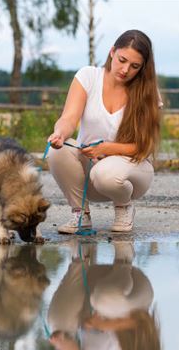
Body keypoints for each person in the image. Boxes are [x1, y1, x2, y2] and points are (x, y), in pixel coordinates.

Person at [47, 29, 163, 234]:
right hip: (90, 171)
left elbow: (144, 148)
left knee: (105, 172)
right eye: (122, 60)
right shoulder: (88, 76)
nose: (125, 69)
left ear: (143, 67)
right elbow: (68, 119)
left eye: (134, 66)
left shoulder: (148, 92)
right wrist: (59, 133)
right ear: (112, 52)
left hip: (131, 173)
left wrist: (107, 149)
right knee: (58, 151)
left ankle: (123, 207)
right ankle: (80, 214)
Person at [47, 241, 163, 350]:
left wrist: (62, 343)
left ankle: (81, 256)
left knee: (59, 323)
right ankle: (123, 256)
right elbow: (142, 322)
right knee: (104, 301)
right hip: (131, 291)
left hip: (93, 284)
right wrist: (103, 324)